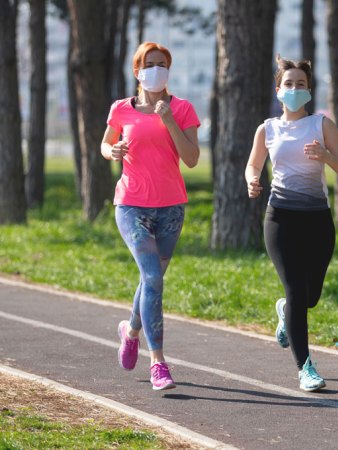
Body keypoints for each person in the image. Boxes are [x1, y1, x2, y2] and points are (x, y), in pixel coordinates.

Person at [245, 55, 338, 392]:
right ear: (279, 90)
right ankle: (305, 367)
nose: (294, 89)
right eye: (288, 84)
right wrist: (252, 181)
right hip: (280, 218)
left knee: (309, 297)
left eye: (301, 84)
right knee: (295, 289)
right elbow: (253, 165)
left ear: (309, 90)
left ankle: (285, 312)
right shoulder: (268, 128)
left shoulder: (321, 125)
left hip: (318, 220)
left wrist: (326, 157)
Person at [101, 42, 200, 391]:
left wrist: (168, 120)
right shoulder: (121, 109)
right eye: (150, 63)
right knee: (153, 278)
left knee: (150, 280)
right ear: (137, 71)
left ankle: (130, 330)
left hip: (171, 207)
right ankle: (158, 363)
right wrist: (111, 150)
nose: (156, 69)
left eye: (162, 64)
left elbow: (191, 159)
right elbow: (105, 143)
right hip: (131, 205)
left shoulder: (183, 109)